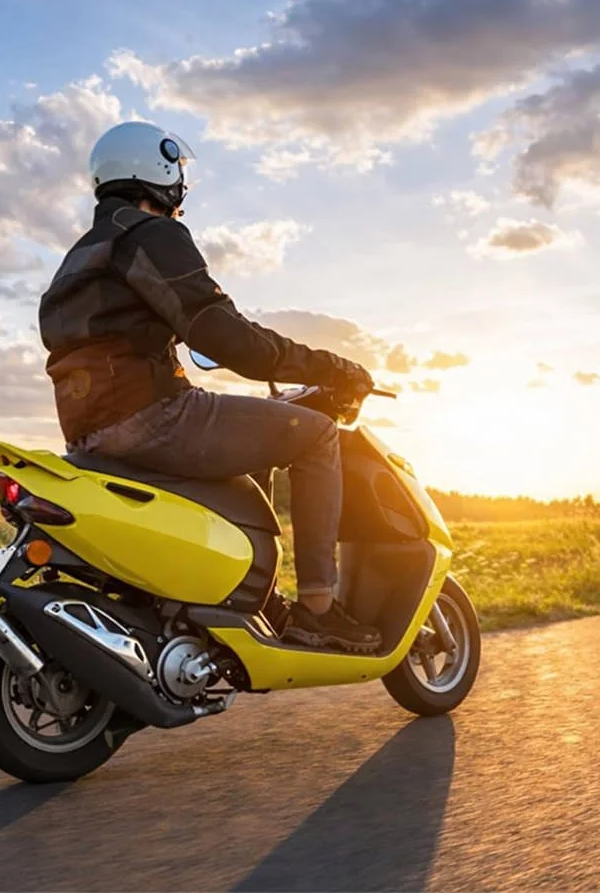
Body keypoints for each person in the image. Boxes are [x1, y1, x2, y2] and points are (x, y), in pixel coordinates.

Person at [38, 120, 382, 654]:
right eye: (177, 170)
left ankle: (250, 599)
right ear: (159, 169)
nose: (181, 183)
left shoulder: (80, 257)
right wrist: (329, 367)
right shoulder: (152, 235)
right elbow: (226, 335)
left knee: (251, 456)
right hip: (152, 416)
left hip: (87, 432)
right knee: (315, 436)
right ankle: (318, 609)